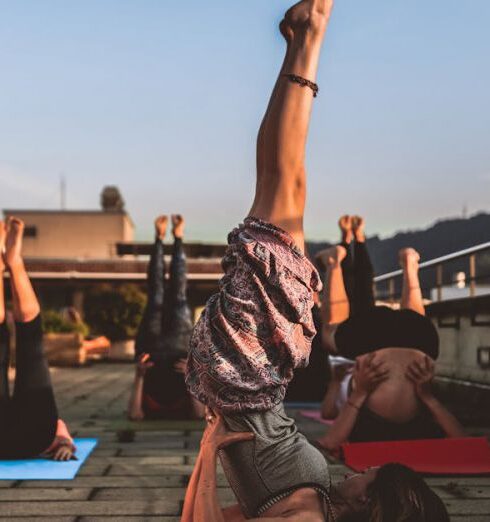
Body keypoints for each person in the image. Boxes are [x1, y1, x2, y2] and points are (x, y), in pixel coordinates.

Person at [183, 1, 450, 520]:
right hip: (258, 376)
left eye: (367, 480)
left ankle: (309, 38)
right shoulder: (318, 507)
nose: (356, 472)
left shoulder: (307, 516)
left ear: (373, 508)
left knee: (284, 190)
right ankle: (303, 43)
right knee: (283, 190)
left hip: (246, 373)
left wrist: (211, 455)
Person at [315, 216, 465, 448]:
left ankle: (409, 267)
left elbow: (463, 442)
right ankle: (334, 264)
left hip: (419, 343)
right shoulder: (367, 426)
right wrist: (426, 396)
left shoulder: (420, 422)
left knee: (414, 324)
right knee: (330, 332)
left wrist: (427, 397)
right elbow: (329, 442)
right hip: (372, 345)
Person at [0, 217, 75, 461]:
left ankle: (12, 261)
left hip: (31, 436)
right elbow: (61, 433)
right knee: (30, 345)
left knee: (32, 344)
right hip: (30, 437)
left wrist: (65, 441)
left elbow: (61, 431)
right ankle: (12, 261)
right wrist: (64, 443)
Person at [127, 214, 204, 421]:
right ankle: (177, 237)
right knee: (177, 293)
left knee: (157, 293)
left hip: (150, 349)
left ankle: (159, 239)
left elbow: (134, 415)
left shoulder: (148, 407)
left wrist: (139, 376)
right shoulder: (185, 409)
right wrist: (191, 376)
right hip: (179, 347)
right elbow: (199, 414)